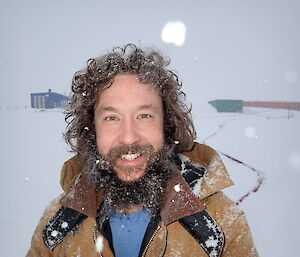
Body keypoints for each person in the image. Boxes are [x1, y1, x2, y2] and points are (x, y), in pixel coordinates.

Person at [27, 44, 259, 257]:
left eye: (144, 116)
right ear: (92, 131)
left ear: (167, 125)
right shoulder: (56, 224)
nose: (129, 136)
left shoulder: (223, 223)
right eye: (111, 118)